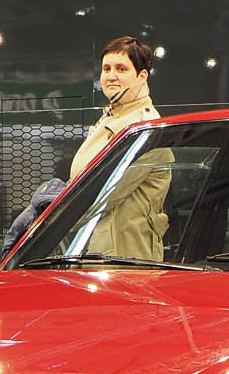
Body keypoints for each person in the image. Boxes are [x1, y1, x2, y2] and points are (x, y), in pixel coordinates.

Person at [64, 34, 171, 260]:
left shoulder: (144, 127)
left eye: (121, 69)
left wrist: (52, 216)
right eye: (106, 69)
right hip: (100, 252)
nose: (111, 76)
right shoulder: (114, 118)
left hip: (125, 258)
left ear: (142, 76)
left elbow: (104, 194)